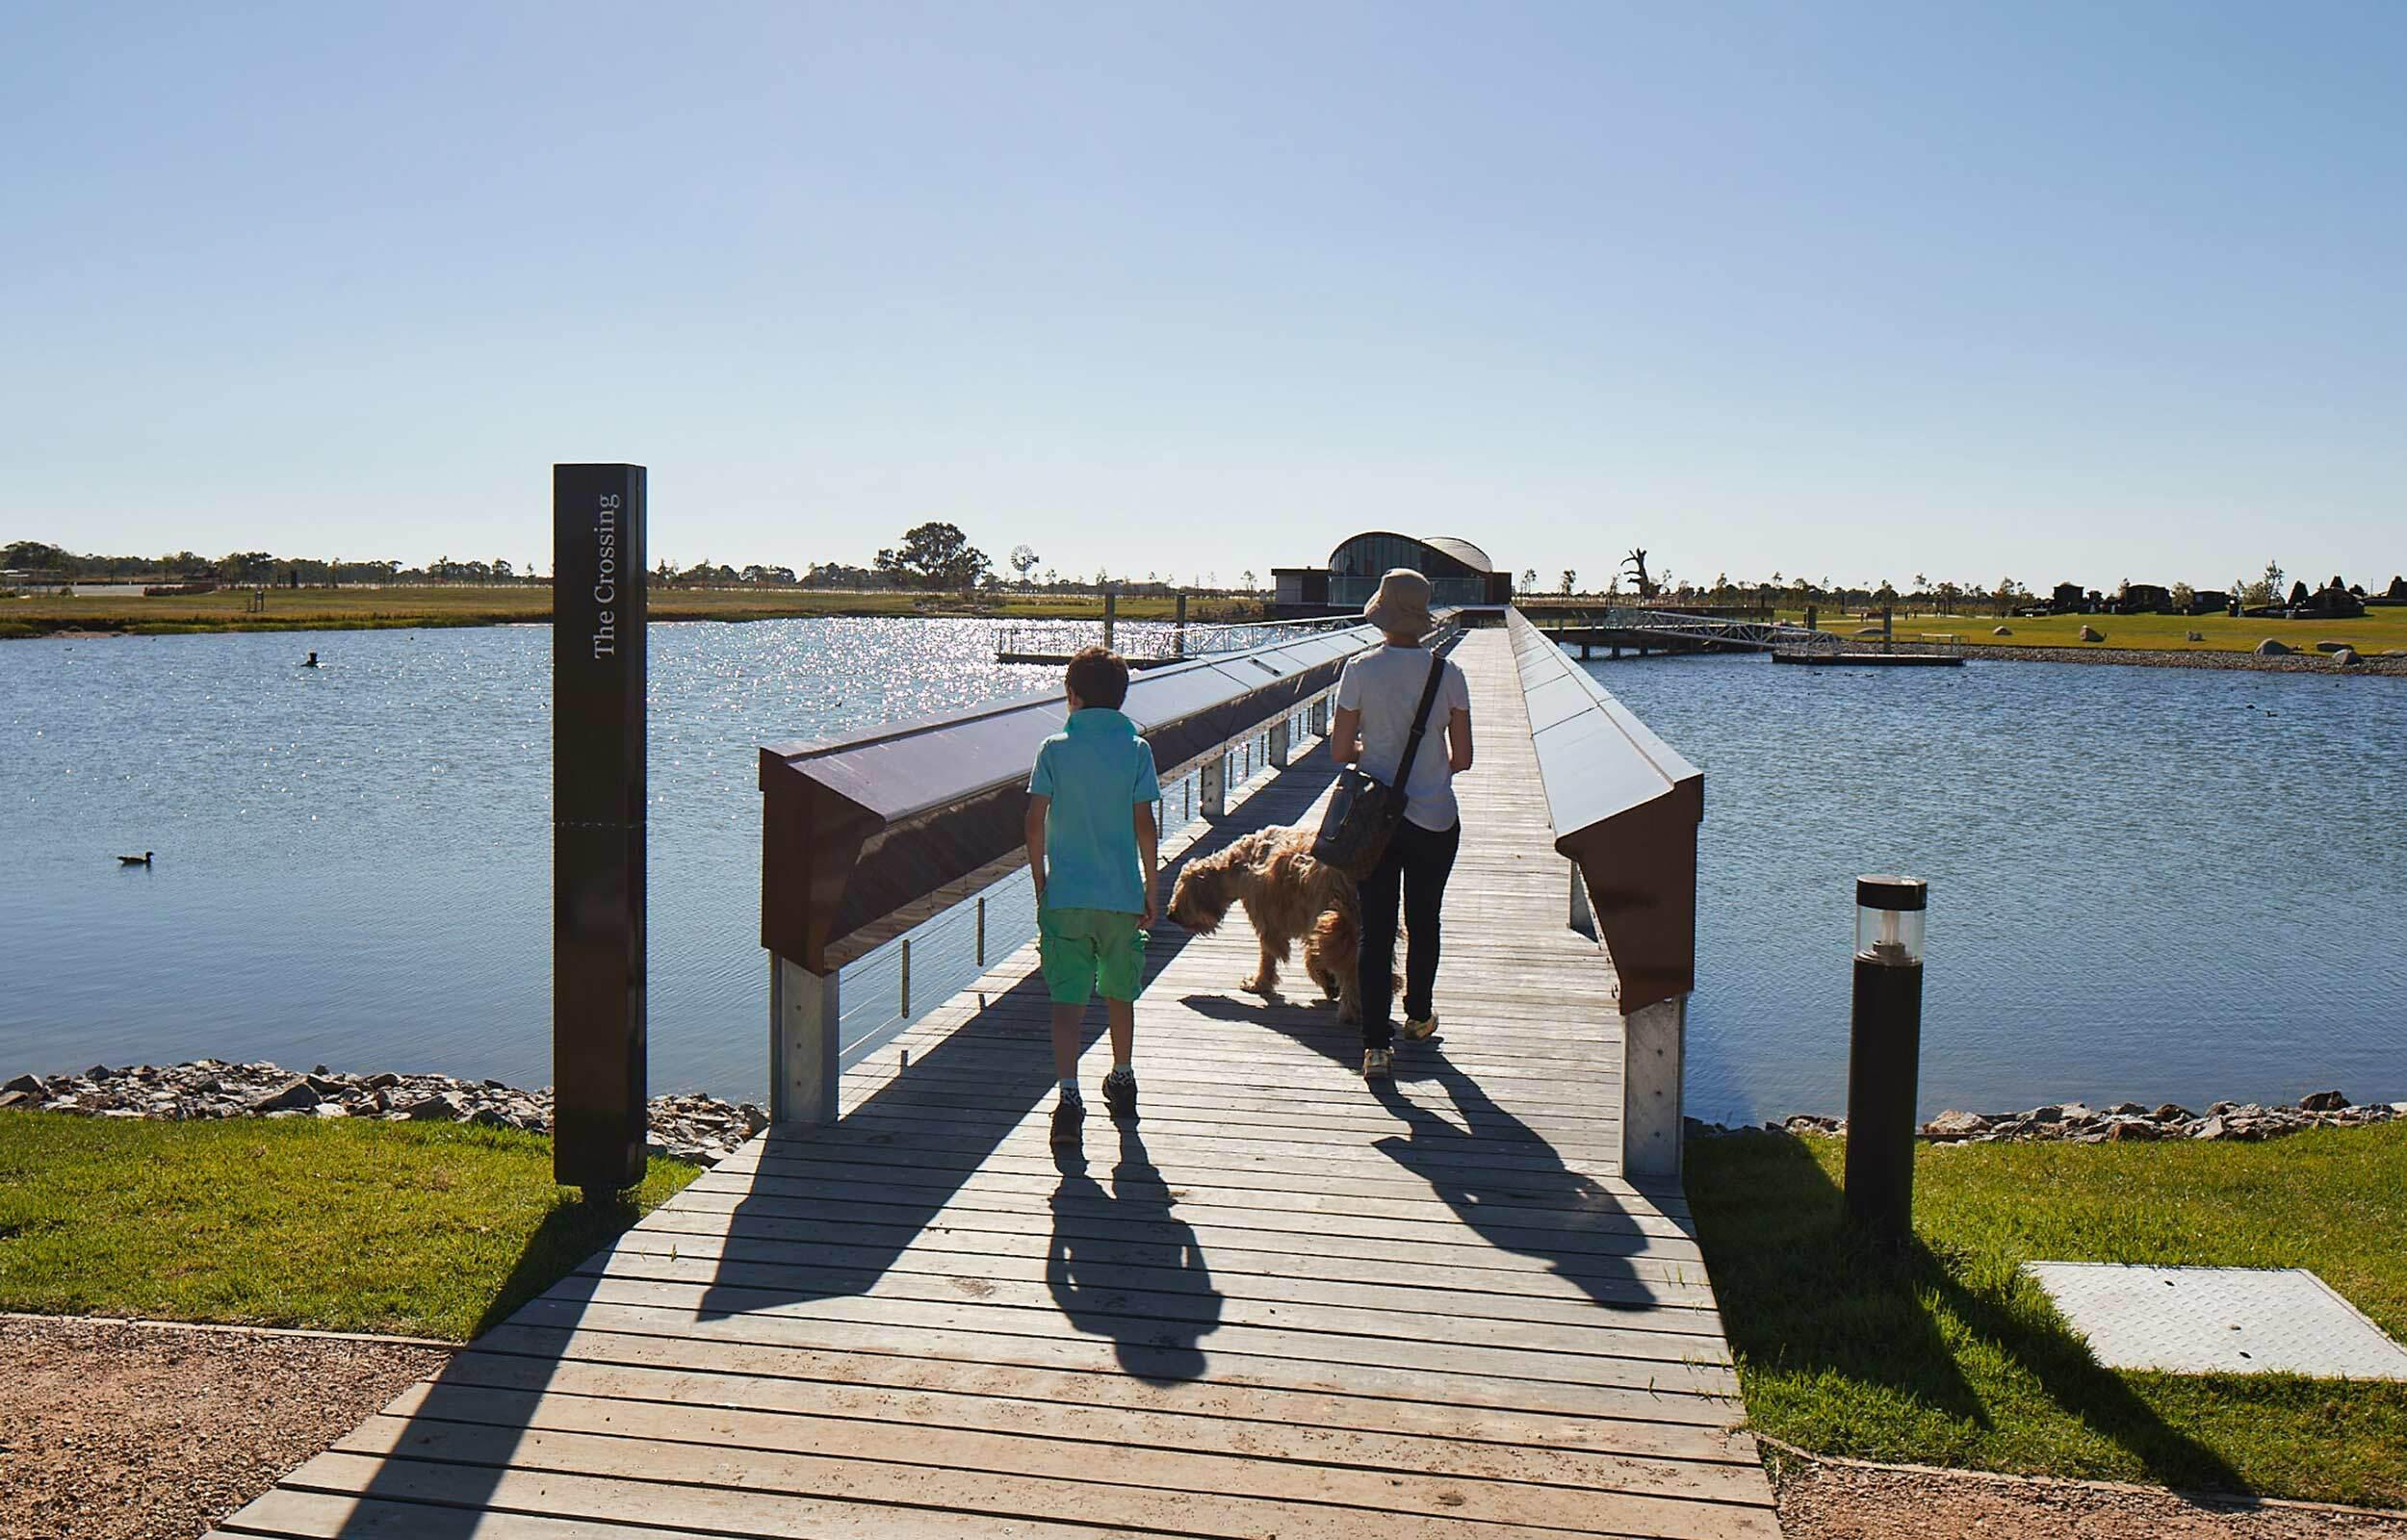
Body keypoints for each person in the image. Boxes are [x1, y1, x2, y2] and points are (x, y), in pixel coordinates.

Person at [1330, 569, 1473, 1080]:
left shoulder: (1360, 670)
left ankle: (1375, 1047)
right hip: (1434, 817)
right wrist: (1429, 767)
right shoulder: (1448, 674)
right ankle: (1417, 1015)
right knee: (1425, 920)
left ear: (1382, 614)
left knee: (1376, 929)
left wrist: (1377, 754)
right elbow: (1465, 758)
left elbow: (1341, 751)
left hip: (1375, 822)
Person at [1024, 646, 1161, 1147]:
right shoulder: (1137, 750)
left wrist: (1040, 880)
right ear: (1122, 699)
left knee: (1067, 1002)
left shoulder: (1053, 749)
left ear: (1072, 695)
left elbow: (1034, 819)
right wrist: (1152, 884)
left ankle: (1068, 1097)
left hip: (1066, 897)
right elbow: (1144, 823)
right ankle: (1122, 1079)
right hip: (1121, 896)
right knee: (1119, 993)